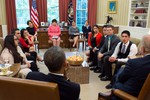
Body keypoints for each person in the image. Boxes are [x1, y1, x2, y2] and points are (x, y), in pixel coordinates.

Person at [100, 34, 150, 100]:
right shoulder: (120, 44)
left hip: (133, 93)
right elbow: (115, 52)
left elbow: (121, 79)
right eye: (122, 36)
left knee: (117, 81)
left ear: (142, 49)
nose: (124, 38)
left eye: (126, 36)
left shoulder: (134, 63)